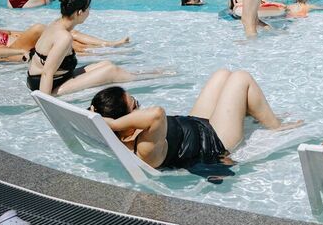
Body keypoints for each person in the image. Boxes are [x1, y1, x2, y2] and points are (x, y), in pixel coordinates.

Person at [90, 69, 301, 171]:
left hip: (194, 125)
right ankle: (276, 126)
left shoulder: (129, 134)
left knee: (222, 74)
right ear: (122, 123)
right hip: (214, 141)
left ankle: (250, 109)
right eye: (135, 105)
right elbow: (157, 113)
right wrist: (114, 124)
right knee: (241, 77)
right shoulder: (144, 148)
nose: (140, 106)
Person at [28, 0, 147, 95]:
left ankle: (145, 74)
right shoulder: (64, 37)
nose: (89, 11)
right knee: (111, 71)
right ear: (80, 12)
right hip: (46, 85)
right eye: (88, 8)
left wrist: (109, 43)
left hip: (54, 78)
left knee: (106, 64)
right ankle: (151, 76)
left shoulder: (58, 23)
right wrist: (45, 100)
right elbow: (47, 73)